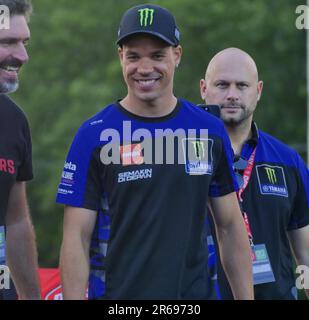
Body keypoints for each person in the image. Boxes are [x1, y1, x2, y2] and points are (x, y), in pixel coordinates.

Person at [57, 4, 253, 300]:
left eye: (157, 55)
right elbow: (76, 237)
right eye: (134, 56)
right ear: (120, 57)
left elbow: (229, 227)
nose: (145, 68)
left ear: (177, 55)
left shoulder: (208, 130)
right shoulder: (93, 134)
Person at [200, 47, 309, 299]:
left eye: (242, 86)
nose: (232, 95)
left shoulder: (288, 161)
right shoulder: (180, 158)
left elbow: (305, 254)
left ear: (258, 91)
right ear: (204, 88)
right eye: (222, 85)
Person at [0, 0, 40, 300]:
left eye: (23, 42)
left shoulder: (14, 121)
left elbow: (16, 221)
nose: (22, 56)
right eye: (7, 42)